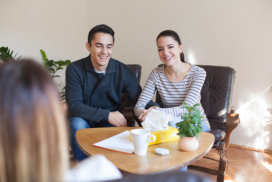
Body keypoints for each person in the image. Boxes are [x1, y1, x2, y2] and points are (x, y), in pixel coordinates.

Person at [0, 60, 122, 182]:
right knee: (76, 122)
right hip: (87, 122)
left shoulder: (120, 69)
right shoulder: (102, 170)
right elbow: (74, 106)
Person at [66, 24, 157, 161]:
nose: (104, 51)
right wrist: (107, 114)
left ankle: (112, 168)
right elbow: (74, 106)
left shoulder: (123, 71)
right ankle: (83, 167)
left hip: (112, 122)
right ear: (88, 46)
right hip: (85, 118)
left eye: (109, 46)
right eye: (98, 46)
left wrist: (154, 109)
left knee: (114, 158)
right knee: (76, 123)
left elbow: (140, 99)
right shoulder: (75, 69)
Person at [135, 29, 210, 133]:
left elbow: (185, 109)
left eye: (170, 47)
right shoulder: (156, 74)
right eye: (160, 49)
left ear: (180, 48)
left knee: (168, 124)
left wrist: (156, 112)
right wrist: (144, 113)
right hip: (170, 126)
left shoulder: (198, 73)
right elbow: (138, 106)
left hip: (197, 125)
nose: (165, 53)